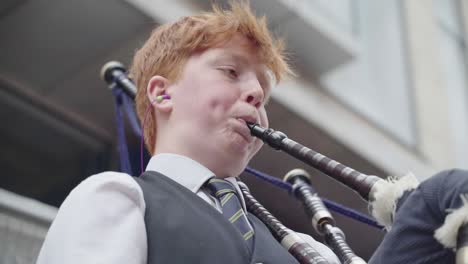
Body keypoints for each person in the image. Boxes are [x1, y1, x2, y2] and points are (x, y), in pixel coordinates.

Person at [36, 2, 340, 263]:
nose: (256, 93)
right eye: (231, 72)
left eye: (263, 90)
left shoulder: (310, 251)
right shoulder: (116, 198)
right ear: (162, 94)